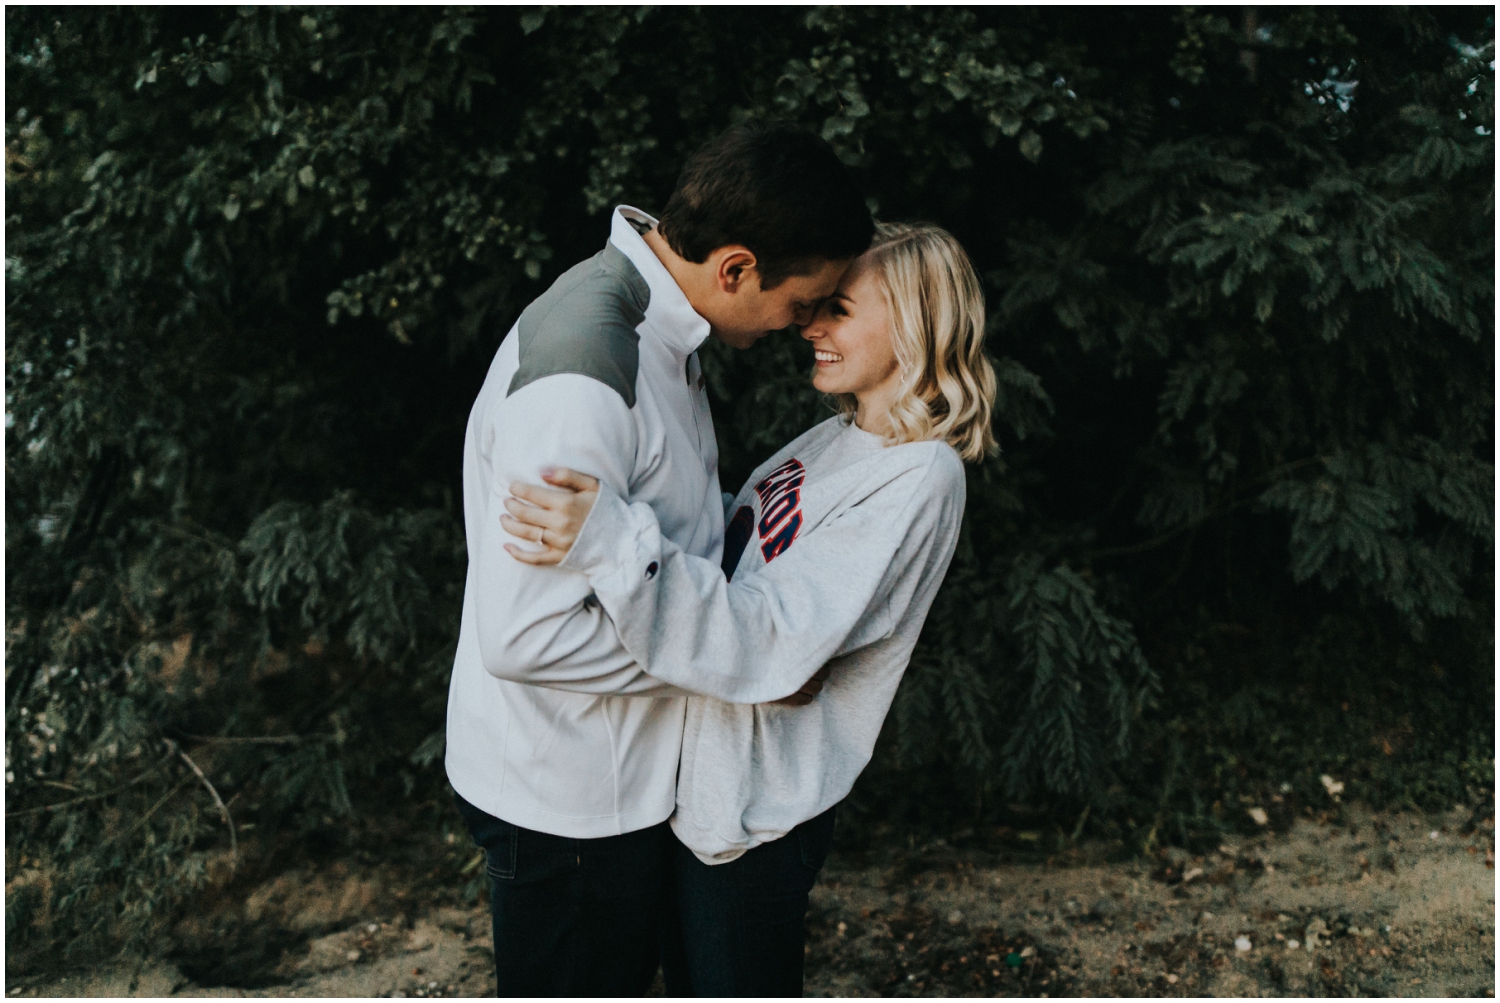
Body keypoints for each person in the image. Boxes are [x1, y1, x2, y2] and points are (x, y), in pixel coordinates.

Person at [502, 221, 998, 996]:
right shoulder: (833, 439)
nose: (811, 324)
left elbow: (771, 639)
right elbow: (732, 564)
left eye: (838, 308)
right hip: (693, 795)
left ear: (915, 320)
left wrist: (608, 538)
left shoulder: (922, 474)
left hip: (751, 818)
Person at [443, 122, 873, 997]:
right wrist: (733, 666)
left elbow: (665, 531)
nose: (802, 327)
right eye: (803, 302)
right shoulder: (589, 376)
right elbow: (523, 638)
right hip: (566, 801)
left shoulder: (658, 332)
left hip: (616, 786)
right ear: (736, 268)